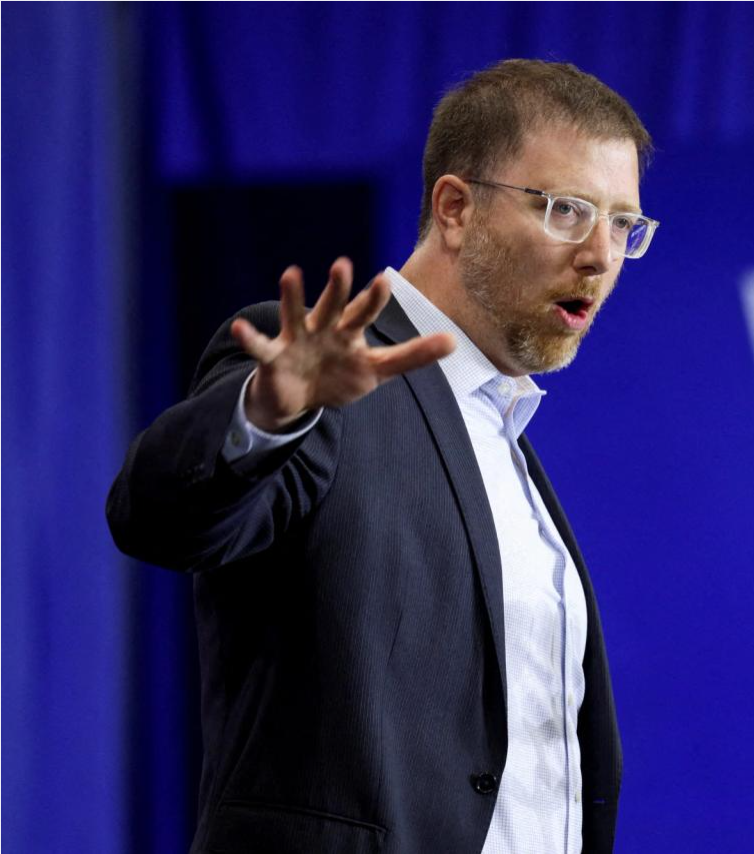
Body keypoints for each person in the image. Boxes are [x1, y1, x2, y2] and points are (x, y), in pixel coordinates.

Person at [107, 59, 657, 854]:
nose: (600, 256)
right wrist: (266, 411)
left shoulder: (504, 438)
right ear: (456, 208)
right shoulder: (329, 392)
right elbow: (159, 517)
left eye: (622, 225)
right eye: (568, 211)